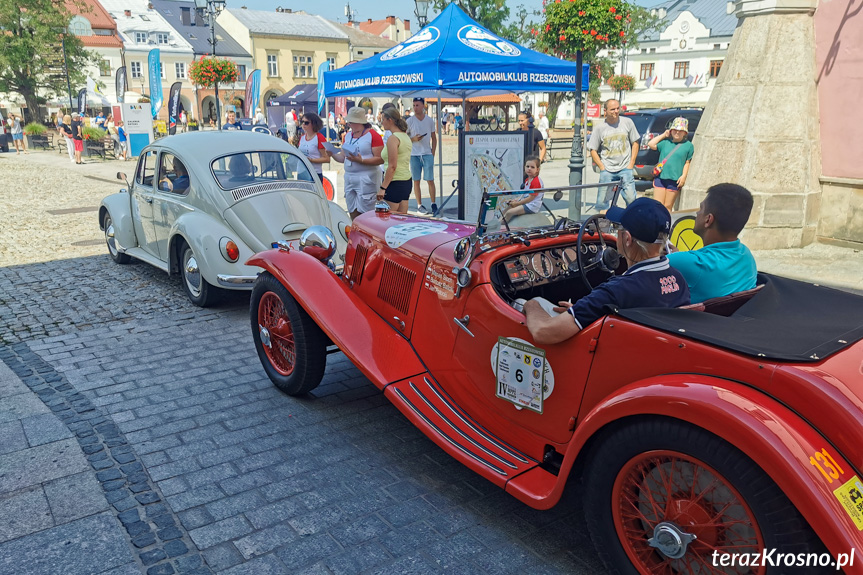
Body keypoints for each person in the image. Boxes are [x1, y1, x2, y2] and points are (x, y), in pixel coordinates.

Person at [523, 197, 690, 344]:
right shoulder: (678, 279)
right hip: (649, 351)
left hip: (612, 358)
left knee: (529, 304)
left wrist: (530, 304)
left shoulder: (616, 291)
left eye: (618, 228)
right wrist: (582, 310)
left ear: (627, 239)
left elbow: (543, 332)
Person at [666, 183, 757, 303]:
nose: (697, 213)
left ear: (708, 220)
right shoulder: (747, 256)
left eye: (701, 209)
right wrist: (680, 255)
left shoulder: (688, 263)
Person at [330, 106, 384, 219]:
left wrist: (362, 161)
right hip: (350, 178)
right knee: (352, 209)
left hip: (367, 178)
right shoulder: (348, 135)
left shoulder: (373, 135)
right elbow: (343, 158)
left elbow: (380, 159)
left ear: (359, 122)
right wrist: (333, 154)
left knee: (367, 213)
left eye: (351, 122)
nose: (349, 124)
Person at [588, 99, 640, 212]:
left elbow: (635, 142)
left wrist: (631, 163)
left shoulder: (627, 122)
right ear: (605, 111)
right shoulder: (599, 128)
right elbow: (593, 149)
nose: (616, 111)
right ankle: (602, 226)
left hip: (625, 168)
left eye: (618, 108)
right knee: (602, 202)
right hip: (607, 169)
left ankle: (630, 226)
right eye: (613, 109)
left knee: (631, 200)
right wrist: (602, 167)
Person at [648, 117, 694, 211]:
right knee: (657, 205)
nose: (677, 132)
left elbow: (687, 162)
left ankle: (666, 225)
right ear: (671, 130)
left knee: (667, 207)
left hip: (674, 180)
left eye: (680, 130)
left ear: (685, 133)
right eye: (675, 130)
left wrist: (684, 176)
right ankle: (656, 225)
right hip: (660, 177)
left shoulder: (688, 146)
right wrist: (664, 135)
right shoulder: (665, 142)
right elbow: (651, 144)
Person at [378, 106, 413, 213]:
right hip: (406, 180)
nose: (382, 122)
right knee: (402, 218)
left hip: (395, 181)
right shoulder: (405, 136)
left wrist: (383, 188)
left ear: (390, 120)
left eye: (383, 119)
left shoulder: (393, 138)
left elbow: (392, 166)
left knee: (386, 218)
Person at [406, 97, 437, 214]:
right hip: (414, 154)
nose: (415, 107)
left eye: (417, 105)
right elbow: (404, 137)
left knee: (430, 179)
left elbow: (434, 138)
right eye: (414, 105)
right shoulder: (409, 121)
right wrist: (413, 139)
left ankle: (433, 203)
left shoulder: (429, 121)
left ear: (423, 106)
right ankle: (419, 204)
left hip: (426, 153)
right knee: (416, 180)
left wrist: (432, 152)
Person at [502, 155, 543, 223]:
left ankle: (501, 227)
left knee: (509, 212)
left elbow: (531, 198)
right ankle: (496, 225)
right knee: (506, 210)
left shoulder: (536, 181)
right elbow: (524, 195)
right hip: (527, 203)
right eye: (527, 166)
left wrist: (517, 204)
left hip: (532, 206)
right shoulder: (527, 180)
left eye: (532, 167)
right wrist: (514, 200)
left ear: (537, 170)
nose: (529, 169)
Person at [297, 112, 330, 177]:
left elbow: (327, 158)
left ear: (314, 124)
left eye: (306, 123)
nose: (303, 124)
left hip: (314, 173)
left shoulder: (320, 137)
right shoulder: (302, 137)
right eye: (302, 122)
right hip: (301, 172)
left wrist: (312, 160)